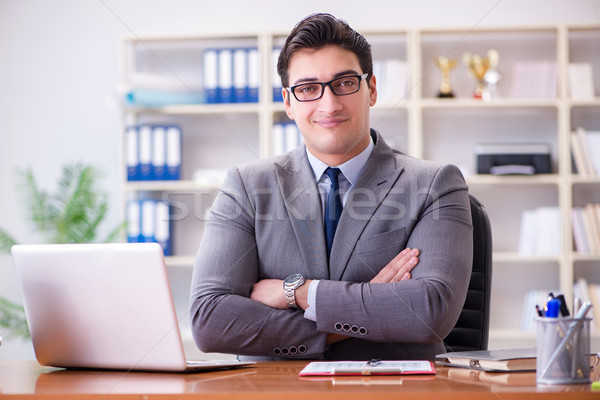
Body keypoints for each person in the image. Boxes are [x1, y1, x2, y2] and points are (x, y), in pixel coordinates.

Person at [190, 13, 473, 361]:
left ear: (371, 89)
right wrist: (359, 308)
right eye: (308, 88)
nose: (329, 104)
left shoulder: (434, 184)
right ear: (288, 103)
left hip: (395, 388)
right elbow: (210, 320)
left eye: (344, 83)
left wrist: (297, 293)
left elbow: (431, 312)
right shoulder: (247, 186)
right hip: (274, 390)